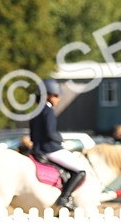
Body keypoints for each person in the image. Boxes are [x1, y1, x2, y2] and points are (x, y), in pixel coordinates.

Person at [28, 79, 87, 210]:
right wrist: (60, 139)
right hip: (50, 149)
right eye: (55, 95)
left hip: (37, 149)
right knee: (80, 170)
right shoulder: (48, 111)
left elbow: (32, 135)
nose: (58, 99)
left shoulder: (35, 111)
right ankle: (64, 198)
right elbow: (50, 133)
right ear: (46, 95)